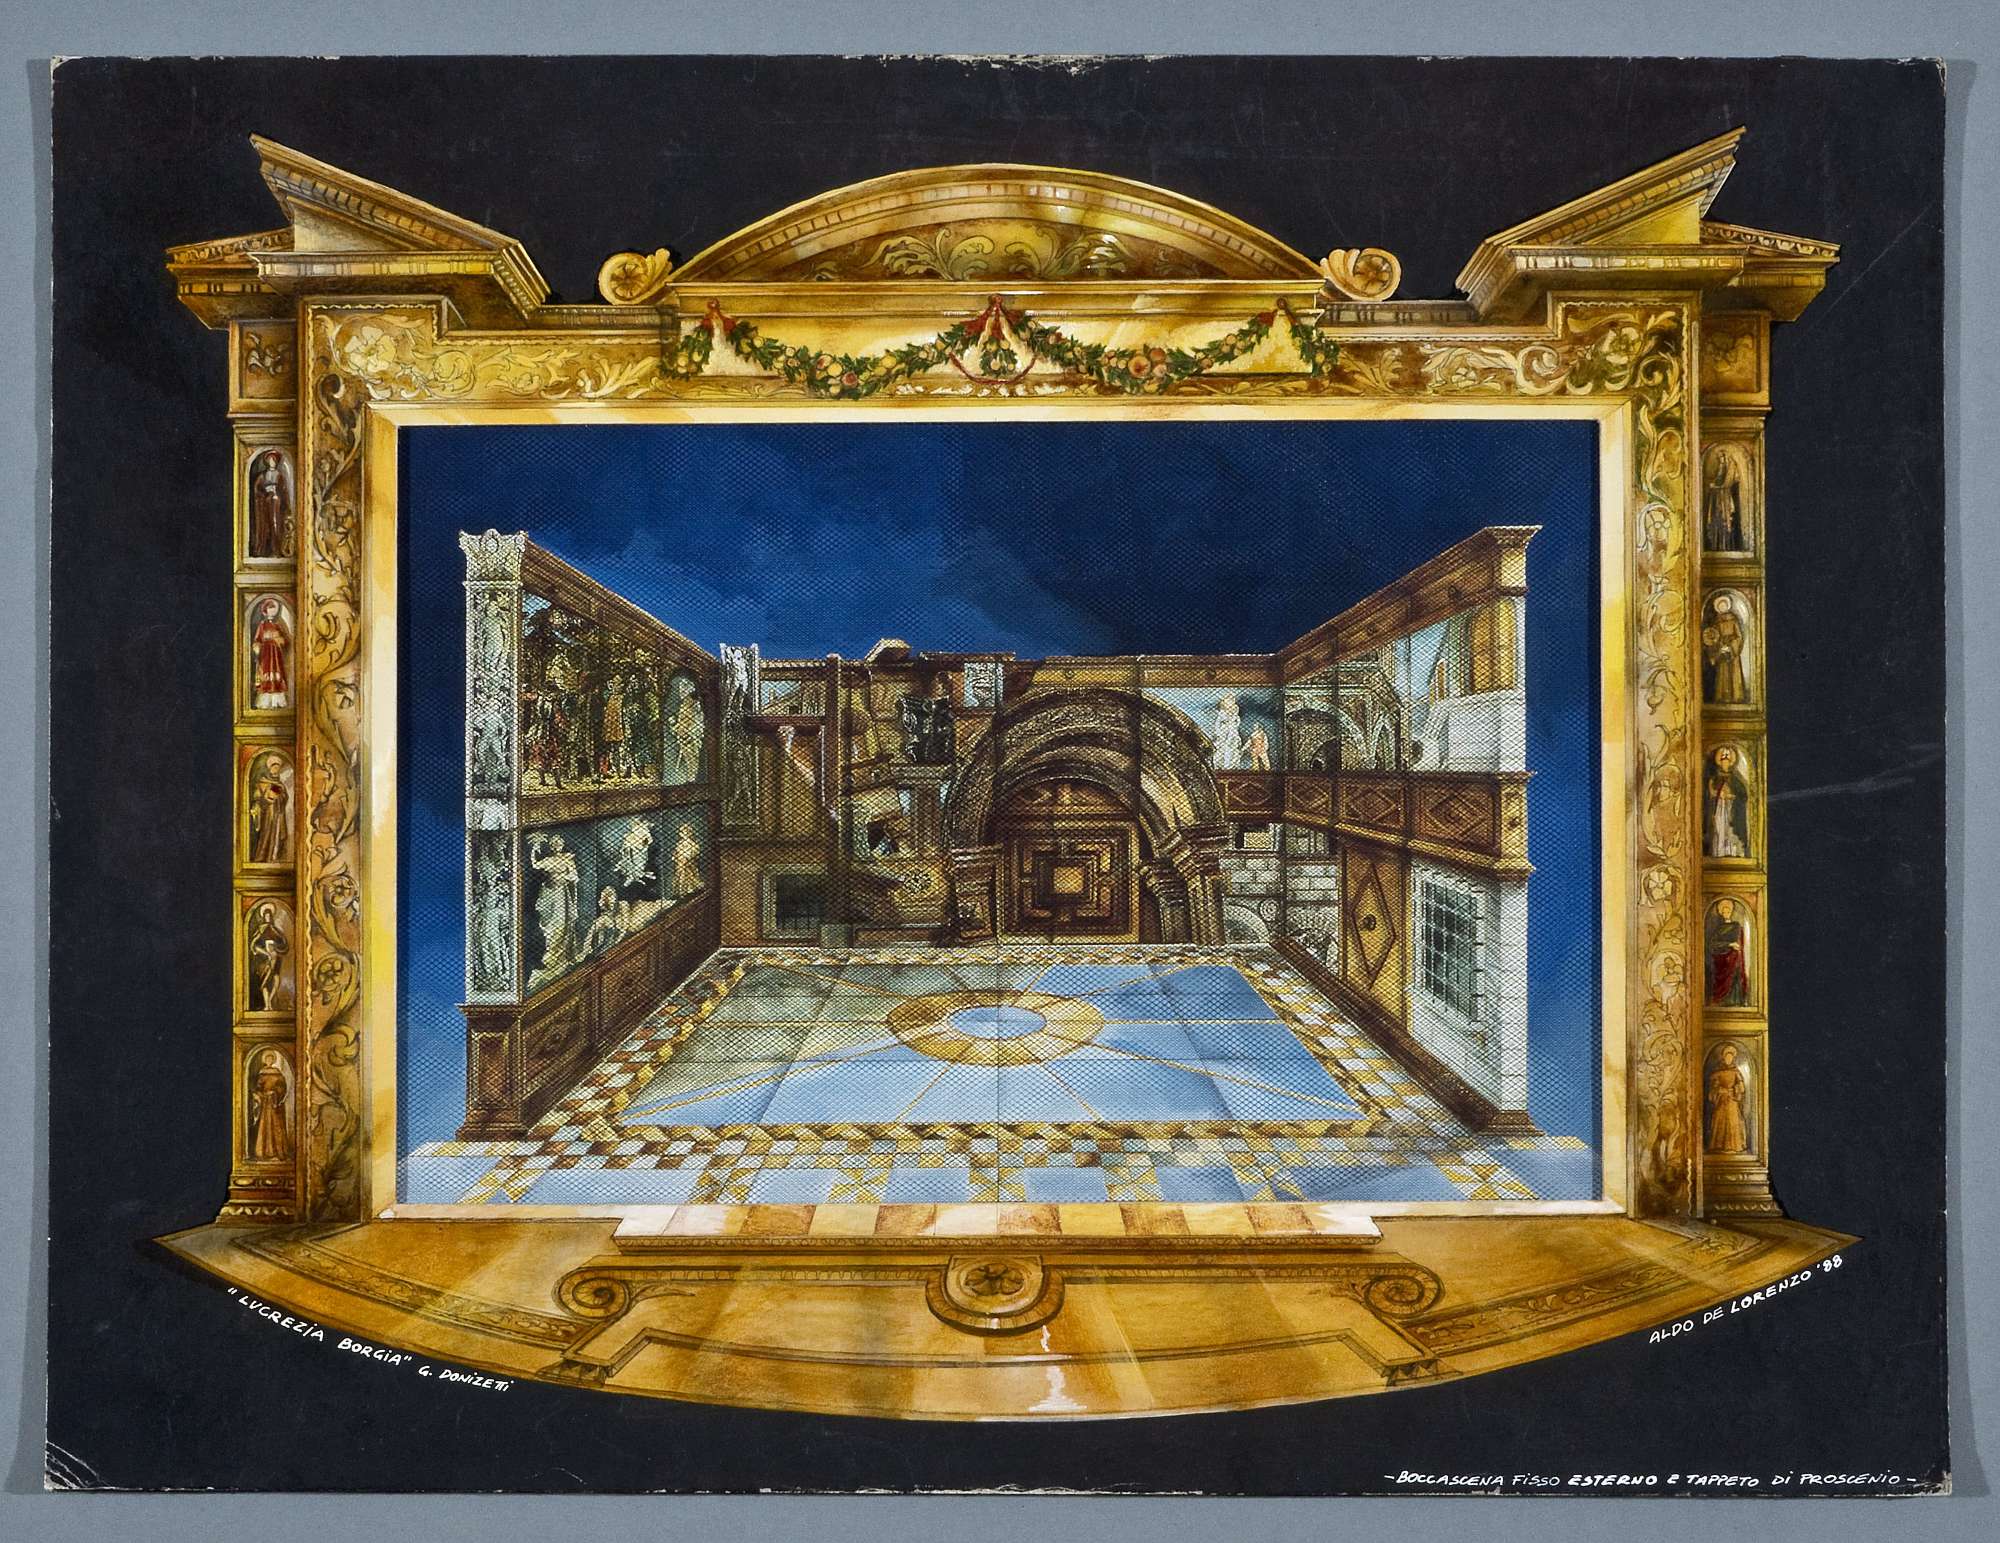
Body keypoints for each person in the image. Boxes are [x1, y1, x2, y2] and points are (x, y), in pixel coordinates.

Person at [529, 833, 580, 975]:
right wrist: (534, 848)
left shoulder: (567, 859)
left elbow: (574, 877)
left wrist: (561, 876)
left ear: (562, 845)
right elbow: (535, 865)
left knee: (559, 923)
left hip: (560, 895)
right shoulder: (548, 860)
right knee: (547, 925)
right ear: (551, 847)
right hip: (547, 893)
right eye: (554, 844)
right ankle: (547, 955)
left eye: (559, 844)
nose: (556, 846)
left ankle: (559, 957)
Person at [1703, 745, 1751, 859]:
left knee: (1730, 830)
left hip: (1731, 809)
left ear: (1731, 763)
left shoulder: (1735, 778)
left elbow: (1742, 795)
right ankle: (1719, 852)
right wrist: (1718, 795)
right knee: (1719, 829)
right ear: (1719, 762)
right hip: (1719, 809)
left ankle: (1732, 852)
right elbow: (1711, 793)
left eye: (1727, 761)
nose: (1725, 763)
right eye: (1723, 760)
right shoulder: (1714, 778)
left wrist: (1730, 796)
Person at [1701, 593, 1749, 706]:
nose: (1722, 607)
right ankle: (1723, 698)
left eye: (1724, 605)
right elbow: (1714, 637)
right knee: (1723, 674)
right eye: (1720, 606)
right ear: (1718, 608)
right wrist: (1720, 647)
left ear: (1727, 606)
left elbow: (1739, 636)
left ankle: (1736, 697)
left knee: (1734, 673)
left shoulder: (1733, 619)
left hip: (1732, 653)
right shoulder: (1716, 622)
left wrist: (1731, 646)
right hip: (1722, 651)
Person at [1705, 1045, 1749, 1154]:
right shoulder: (1717, 1072)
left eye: (1730, 1057)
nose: (1728, 1059)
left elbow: (1742, 1088)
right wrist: (1719, 1090)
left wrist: (1733, 1090)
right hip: (1721, 1100)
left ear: (1733, 1058)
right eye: (1727, 1057)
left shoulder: (1736, 1072)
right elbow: (1713, 1087)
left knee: (1733, 1120)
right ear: (1723, 1058)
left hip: (1732, 1100)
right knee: (1719, 1119)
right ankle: (1718, 1145)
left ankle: (1733, 1146)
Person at [249, 1050, 293, 1161]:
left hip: (275, 1102)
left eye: (271, 1058)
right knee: (265, 1125)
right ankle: (266, 1151)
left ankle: (278, 1151)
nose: (269, 1060)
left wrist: (276, 1093)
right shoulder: (262, 1073)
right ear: (265, 1060)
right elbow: (258, 1088)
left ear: (273, 1060)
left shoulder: (277, 1072)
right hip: (265, 1103)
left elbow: (283, 1087)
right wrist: (263, 1094)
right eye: (267, 1058)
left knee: (276, 1125)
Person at [1706, 897, 1750, 1006]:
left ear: (1731, 912)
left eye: (1728, 911)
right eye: (1724, 912)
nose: (1726, 914)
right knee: (1722, 982)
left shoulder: (1736, 926)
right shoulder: (1719, 928)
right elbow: (1712, 944)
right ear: (1721, 913)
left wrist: (1736, 948)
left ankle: (1736, 1002)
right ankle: (1723, 1002)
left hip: (1734, 958)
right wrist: (1729, 944)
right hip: (1721, 960)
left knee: (1735, 979)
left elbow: (1740, 942)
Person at [248, 754, 290, 864]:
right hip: (267, 813)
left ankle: (273, 857)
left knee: (277, 834)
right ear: (270, 768)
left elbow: (285, 797)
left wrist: (280, 796)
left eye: (278, 767)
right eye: (274, 767)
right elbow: (257, 797)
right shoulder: (263, 781)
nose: (276, 769)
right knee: (266, 835)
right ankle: (262, 857)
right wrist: (266, 798)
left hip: (278, 813)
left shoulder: (280, 784)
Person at [249, 450, 291, 558]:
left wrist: (284, 503)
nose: (272, 462)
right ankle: (263, 550)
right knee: (264, 526)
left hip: (276, 503)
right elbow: (257, 489)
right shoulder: (262, 476)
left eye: (274, 460)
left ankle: (276, 549)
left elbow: (284, 491)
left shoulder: (279, 476)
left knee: (275, 524)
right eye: (270, 460)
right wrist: (264, 492)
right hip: (265, 503)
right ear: (267, 462)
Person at [1703, 449, 1746, 552]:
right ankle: (1717, 545)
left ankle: (1726, 546)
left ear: (1725, 458)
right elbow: (1718, 480)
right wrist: (1714, 484)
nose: (1720, 460)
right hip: (1718, 497)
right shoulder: (1721, 467)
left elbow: (1726, 483)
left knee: (1726, 520)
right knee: (1717, 520)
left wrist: (1715, 486)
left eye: (1721, 458)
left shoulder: (1729, 467)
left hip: (1725, 497)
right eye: (1719, 458)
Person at [251, 598, 290, 710]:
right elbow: (257, 640)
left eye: (274, 608)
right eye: (270, 608)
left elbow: (285, 640)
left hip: (276, 655)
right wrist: (257, 647)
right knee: (266, 673)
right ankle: (265, 702)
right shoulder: (262, 625)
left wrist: (278, 639)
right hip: (266, 655)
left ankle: (277, 702)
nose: (272, 611)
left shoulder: (278, 625)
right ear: (265, 610)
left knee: (277, 673)